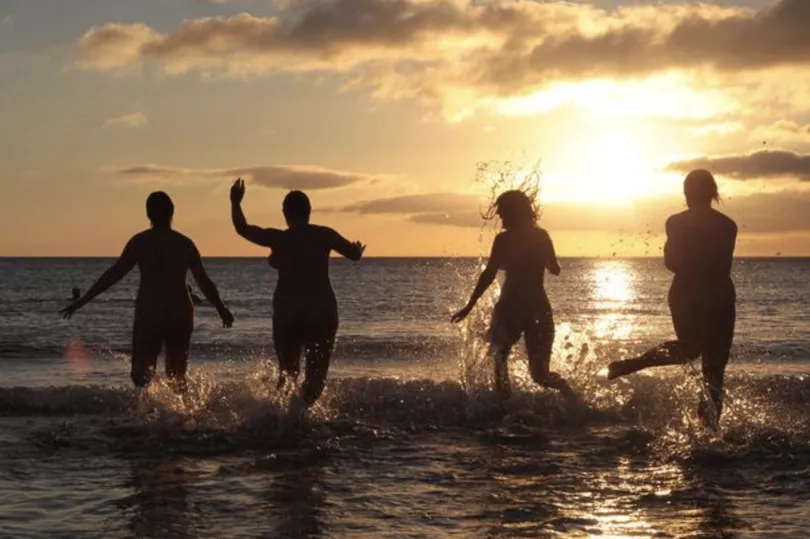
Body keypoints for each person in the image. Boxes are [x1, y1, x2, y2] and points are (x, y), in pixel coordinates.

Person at [60, 192, 234, 391]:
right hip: (180, 312)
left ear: (148, 214)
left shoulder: (141, 242)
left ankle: (150, 414)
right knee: (176, 373)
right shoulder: (185, 244)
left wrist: (81, 302)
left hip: (151, 312)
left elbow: (114, 274)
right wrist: (221, 308)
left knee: (140, 373)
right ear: (172, 213)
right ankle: (180, 416)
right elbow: (204, 282)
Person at [607, 169, 737, 428]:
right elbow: (723, 265)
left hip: (686, 292)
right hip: (719, 294)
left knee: (689, 348)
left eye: (687, 191)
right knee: (714, 372)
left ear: (688, 193)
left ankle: (636, 363)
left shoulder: (675, 222)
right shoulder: (727, 225)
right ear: (713, 193)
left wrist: (691, 266)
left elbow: (671, 262)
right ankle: (710, 432)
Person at [229, 178, 365, 409]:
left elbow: (243, 228)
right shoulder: (325, 235)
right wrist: (358, 249)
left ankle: (280, 420)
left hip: (287, 310)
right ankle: (298, 415)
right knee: (315, 379)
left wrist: (235, 202)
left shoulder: (279, 238)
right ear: (309, 211)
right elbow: (353, 254)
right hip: (320, 310)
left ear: (285, 213)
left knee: (288, 375)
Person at [451, 190, 576, 400]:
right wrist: (546, 263)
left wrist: (469, 305)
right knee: (537, 374)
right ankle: (572, 399)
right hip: (533, 310)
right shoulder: (540, 236)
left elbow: (490, 273)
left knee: (503, 363)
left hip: (513, 310)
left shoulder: (504, 240)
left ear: (514, 212)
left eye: (503, 212)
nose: (500, 217)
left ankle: (506, 407)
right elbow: (555, 268)